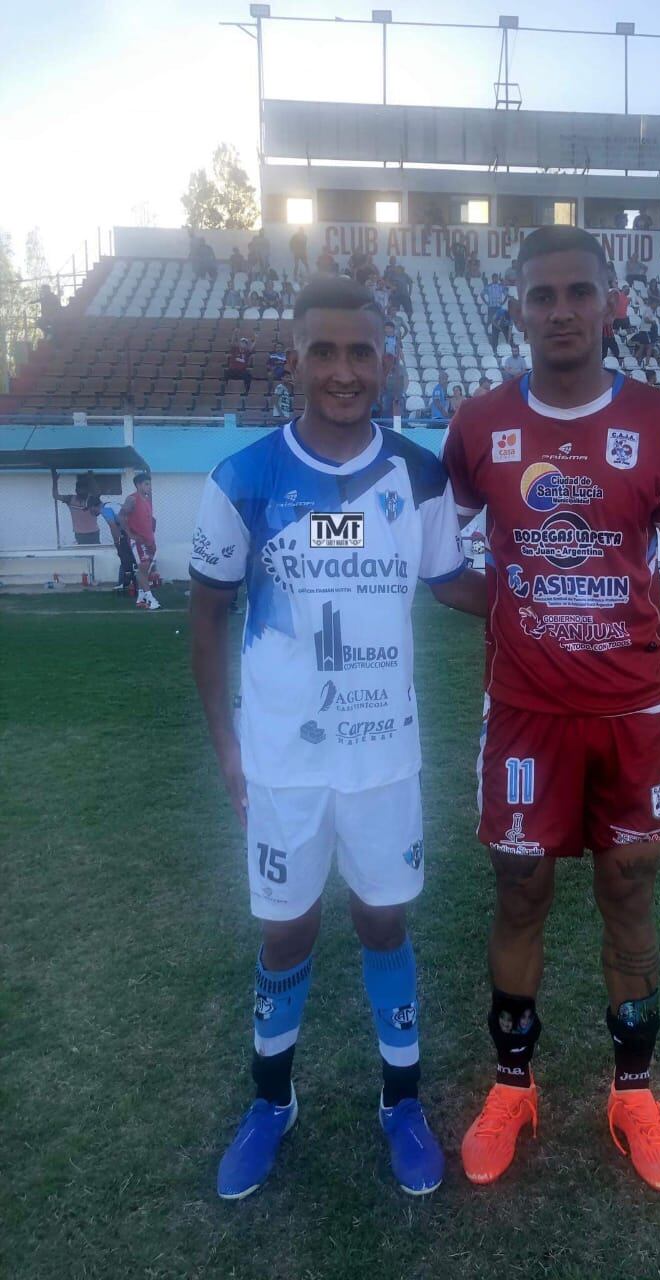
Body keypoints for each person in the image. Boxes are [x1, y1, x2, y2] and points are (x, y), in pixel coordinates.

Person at [442, 225, 660, 1194]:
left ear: (613, 304)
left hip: (634, 712)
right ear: (516, 307)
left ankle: (634, 1092)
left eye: (580, 291)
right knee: (520, 892)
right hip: (524, 713)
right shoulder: (478, 424)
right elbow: (441, 560)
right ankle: (512, 1086)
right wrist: (520, 603)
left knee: (630, 891)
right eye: (542, 294)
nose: (561, 309)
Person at [189, 275, 486, 1203]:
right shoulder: (242, 480)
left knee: (383, 919)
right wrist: (228, 749)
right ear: (297, 359)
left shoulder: (419, 474)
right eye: (325, 351)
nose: (344, 371)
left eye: (361, 352)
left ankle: (401, 1101)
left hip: (382, 757)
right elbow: (205, 618)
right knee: (285, 933)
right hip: (282, 760)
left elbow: (450, 583)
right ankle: (270, 1101)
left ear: (386, 359)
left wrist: (548, 589)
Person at [119, 472, 160, 610]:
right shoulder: (132, 499)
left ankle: (140, 597)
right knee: (143, 567)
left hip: (149, 540)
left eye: (150, 484)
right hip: (138, 540)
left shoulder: (147, 500)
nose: (149, 487)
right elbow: (121, 516)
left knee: (145, 569)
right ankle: (151, 599)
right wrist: (130, 534)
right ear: (138, 485)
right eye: (146, 484)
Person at [52, 473, 101, 545]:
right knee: (83, 554)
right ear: (76, 490)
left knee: (95, 552)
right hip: (79, 534)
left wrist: (91, 479)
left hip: (93, 533)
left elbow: (97, 493)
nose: (82, 492)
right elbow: (56, 496)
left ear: (88, 490)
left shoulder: (92, 499)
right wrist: (55, 481)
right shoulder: (70, 499)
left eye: (84, 490)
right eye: (80, 490)